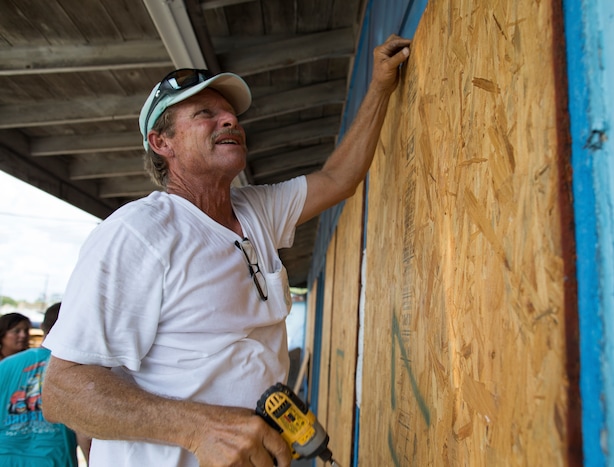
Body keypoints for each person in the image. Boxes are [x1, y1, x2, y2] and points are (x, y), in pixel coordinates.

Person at [42, 34, 411, 467]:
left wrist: (381, 86)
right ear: (163, 143)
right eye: (206, 114)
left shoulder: (255, 210)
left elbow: (338, 178)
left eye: (231, 115)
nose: (229, 121)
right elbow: (62, 391)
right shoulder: (138, 232)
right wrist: (197, 428)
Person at [0, 303, 91, 465]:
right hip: (54, 459)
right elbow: (83, 431)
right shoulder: (75, 368)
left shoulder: (6, 365)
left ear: (42, 327)